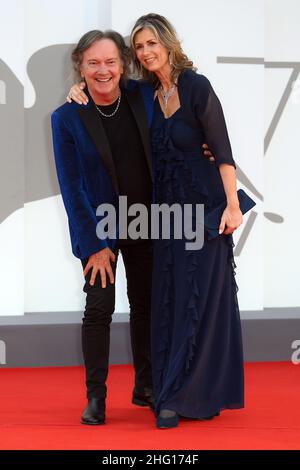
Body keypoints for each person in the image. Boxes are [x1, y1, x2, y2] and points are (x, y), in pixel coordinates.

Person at [52, 29, 214, 426]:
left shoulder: (143, 97)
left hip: (149, 220)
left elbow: (180, 123)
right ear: (81, 67)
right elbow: (72, 188)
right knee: (99, 308)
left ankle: (147, 386)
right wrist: (93, 244)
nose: (102, 70)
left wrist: (205, 146)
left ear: (124, 64)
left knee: (146, 306)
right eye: (93, 63)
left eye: (110, 61)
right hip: (101, 227)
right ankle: (96, 396)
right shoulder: (67, 117)